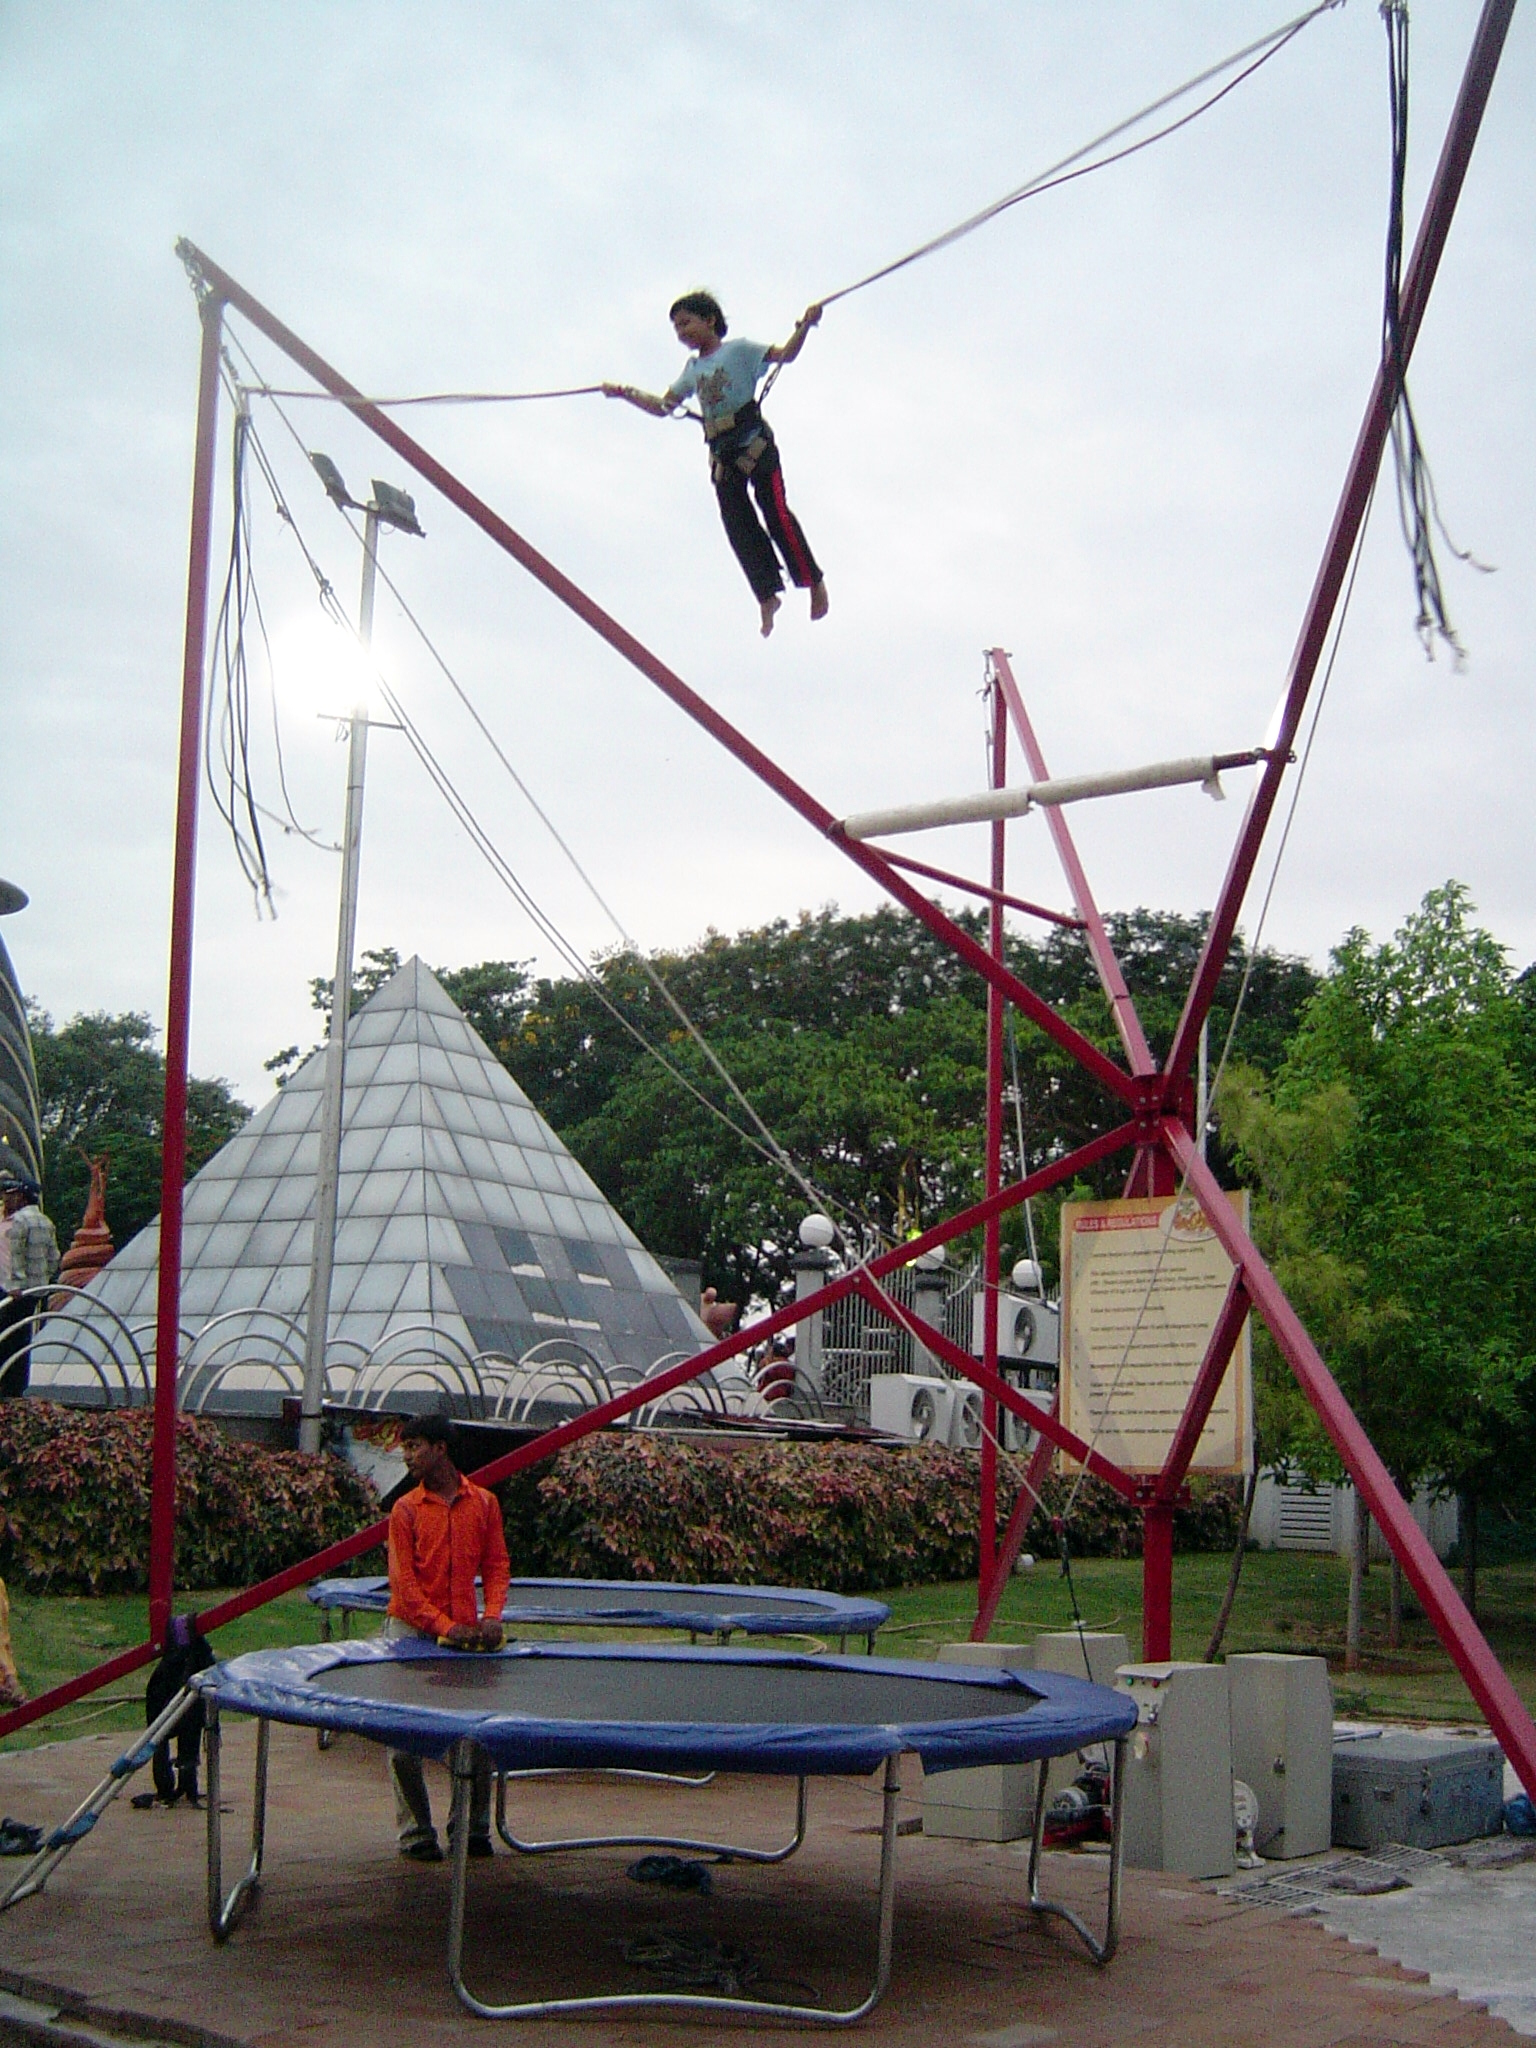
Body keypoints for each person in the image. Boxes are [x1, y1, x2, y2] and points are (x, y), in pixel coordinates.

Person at [604, 291, 829, 638]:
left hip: (753, 439)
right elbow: (664, 406)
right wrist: (626, 394)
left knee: (775, 512)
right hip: (722, 451)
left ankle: (812, 581)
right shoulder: (693, 370)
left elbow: (786, 355)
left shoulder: (739, 350)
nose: (681, 332)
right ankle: (767, 595)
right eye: (676, 327)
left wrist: (806, 326)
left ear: (709, 320)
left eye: (686, 322)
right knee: (737, 524)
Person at [385, 1412, 510, 1862]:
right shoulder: (404, 1510)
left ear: (440, 1448)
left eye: (414, 1446)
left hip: (463, 1633)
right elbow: (405, 1587)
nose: (407, 1456)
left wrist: (492, 1614)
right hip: (411, 1631)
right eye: (405, 1448)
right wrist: (444, 1626)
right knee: (401, 1740)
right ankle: (415, 1832)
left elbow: (496, 1565)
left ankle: (472, 1828)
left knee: (474, 1736)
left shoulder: (484, 1504)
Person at [0, 1179, 59, 1399]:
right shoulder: (45, 1221)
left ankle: (7, 1384)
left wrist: (16, 1285)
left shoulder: (19, 1221)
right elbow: (55, 1257)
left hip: (13, 1289)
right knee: (21, 1335)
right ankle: (16, 1386)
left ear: (22, 1197)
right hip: (35, 1290)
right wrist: (42, 1279)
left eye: (11, 1194)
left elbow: (16, 1256)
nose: (7, 1198)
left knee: (7, 1335)